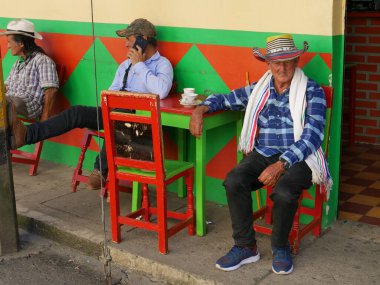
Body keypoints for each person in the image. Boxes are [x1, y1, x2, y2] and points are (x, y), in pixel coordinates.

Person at [189, 34, 332, 275]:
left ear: (296, 62)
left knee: (285, 192)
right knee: (234, 181)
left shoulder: (312, 90)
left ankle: (281, 247)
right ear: (268, 64)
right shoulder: (260, 89)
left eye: (287, 61)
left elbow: (313, 135)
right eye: (277, 62)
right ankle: (246, 246)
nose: (282, 68)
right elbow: (227, 99)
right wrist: (200, 109)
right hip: (264, 152)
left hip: (299, 156)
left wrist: (282, 164)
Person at [7, 18, 173, 189]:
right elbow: (111, 93)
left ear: (142, 40)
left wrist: (139, 66)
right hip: (114, 112)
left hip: (138, 120)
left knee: (119, 118)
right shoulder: (125, 65)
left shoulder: (162, 64)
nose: (125, 45)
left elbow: (161, 91)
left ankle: (100, 170)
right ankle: (28, 134)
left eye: (129, 39)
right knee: (77, 112)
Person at [1, 19, 59, 121]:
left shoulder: (42, 60)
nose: (8, 46)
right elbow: (6, 86)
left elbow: (51, 90)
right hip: (11, 100)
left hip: (28, 105)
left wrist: (44, 118)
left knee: (6, 103)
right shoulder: (19, 62)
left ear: (21, 43)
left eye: (9, 42)